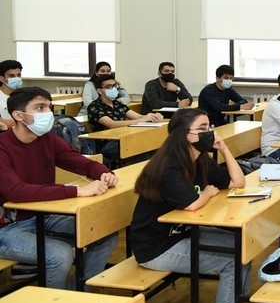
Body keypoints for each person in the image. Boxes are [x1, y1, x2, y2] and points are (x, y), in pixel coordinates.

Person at [130, 108, 250, 303]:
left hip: (181, 235)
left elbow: (238, 182)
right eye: (202, 129)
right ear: (184, 135)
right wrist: (206, 192)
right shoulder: (168, 167)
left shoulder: (199, 159)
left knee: (244, 244)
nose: (209, 133)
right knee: (232, 261)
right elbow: (193, 204)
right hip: (156, 248)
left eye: (209, 128)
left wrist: (224, 149)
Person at [0, 87, 119, 289]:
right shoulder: (3, 146)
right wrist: (76, 191)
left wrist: (103, 173)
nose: (48, 113)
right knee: (59, 254)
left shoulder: (47, 139)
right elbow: (15, 192)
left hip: (43, 215)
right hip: (8, 228)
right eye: (40, 108)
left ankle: (78, 293)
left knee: (104, 232)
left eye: (49, 107)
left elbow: (82, 163)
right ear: (18, 115)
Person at [88, 74, 164, 163]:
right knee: (141, 148)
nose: (113, 89)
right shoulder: (94, 106)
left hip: (124, 138)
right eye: (109, 87)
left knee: (152, 144)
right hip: (107, 143)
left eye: (114, 86)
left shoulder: (117, 104)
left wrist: (153, 117)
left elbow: (138, 116)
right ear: (100, 91)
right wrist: (140, 120)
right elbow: (111, 124)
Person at [0, 59, 24, 129]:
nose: (16, 78)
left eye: (19, 75)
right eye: (12, 76)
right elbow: (3, 124)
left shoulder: (24, 95)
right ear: (2, 79)